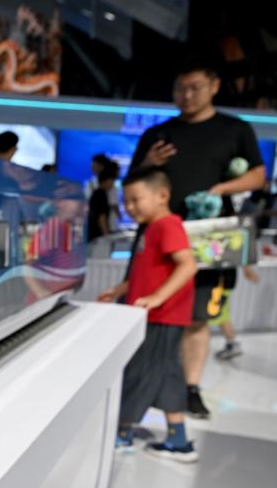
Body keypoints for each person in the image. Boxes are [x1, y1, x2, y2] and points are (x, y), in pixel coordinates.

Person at [129, 58, 265, 419]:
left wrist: (220, 189)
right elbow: (133, 182)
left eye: (195, 88)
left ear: (214, 86)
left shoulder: (235, 129)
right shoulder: (158, 134)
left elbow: (257, 176)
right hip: (158, 237)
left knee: (198, 316)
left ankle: (189, 388)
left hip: (209, 240)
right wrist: (147, 162)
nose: (187, 96)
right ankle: (144, 385)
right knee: (146, 309)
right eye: (180, 88)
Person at [98, 168, 198, 462]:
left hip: (161, 317)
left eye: (135, 199)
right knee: (166, 375)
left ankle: (123, 432)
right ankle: (178, 439)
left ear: (162, 195)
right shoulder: (151, 228)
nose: (129, 207)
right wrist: (119, 290)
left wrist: (157, 298)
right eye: (125, 201)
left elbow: (188, 265)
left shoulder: (168, 225)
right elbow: (145, 273)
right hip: (156, 316)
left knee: (138, 373)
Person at [213, 265, 261, 359]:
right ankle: (231, 344)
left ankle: (232, 344)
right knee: (221, 313)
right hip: (218, 277)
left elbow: (238, 255)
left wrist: (247, 269)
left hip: (221, 278)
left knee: (221, 313)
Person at [88, 160, 120, 241]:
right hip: (97, 235)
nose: (112, 184)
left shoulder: (97, 193)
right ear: (106, 180)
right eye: (112, 181)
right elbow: (101, 217)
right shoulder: (101, 195)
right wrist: (106, 236)